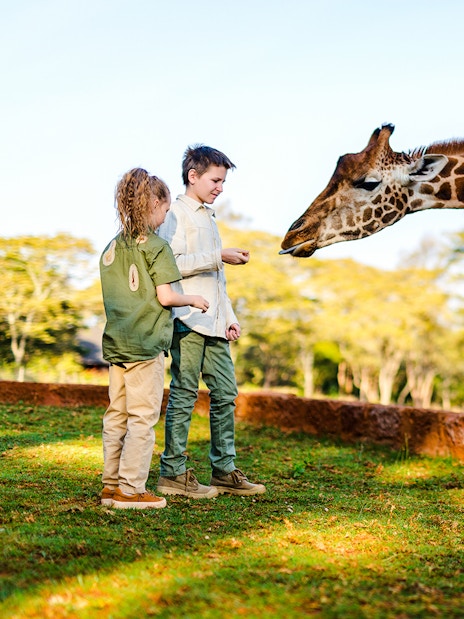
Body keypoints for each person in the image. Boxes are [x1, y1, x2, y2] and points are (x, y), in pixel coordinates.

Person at [156, 145, 266, 498]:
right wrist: (218, 255)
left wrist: (229, 317)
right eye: (215, 180)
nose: (221, 187)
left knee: (226, 394)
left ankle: (224, 470)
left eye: (222, 180)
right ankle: (172, 471)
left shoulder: (209, 215)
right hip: (186, 318)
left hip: (214, 323)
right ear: (193, 176)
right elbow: (169, 264)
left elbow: (216, 281)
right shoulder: (175, 213)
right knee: (185, 394)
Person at [99, 167, 209, 509]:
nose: (165, 218)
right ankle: (131, 491)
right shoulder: (157, 246)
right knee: (143, 418)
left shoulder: (111, 248)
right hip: (146, 345)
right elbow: (165, 297)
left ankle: (110, 486)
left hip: (117, 344)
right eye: (164, 211)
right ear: (154, 204)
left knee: (117, 414)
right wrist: (192, 299)